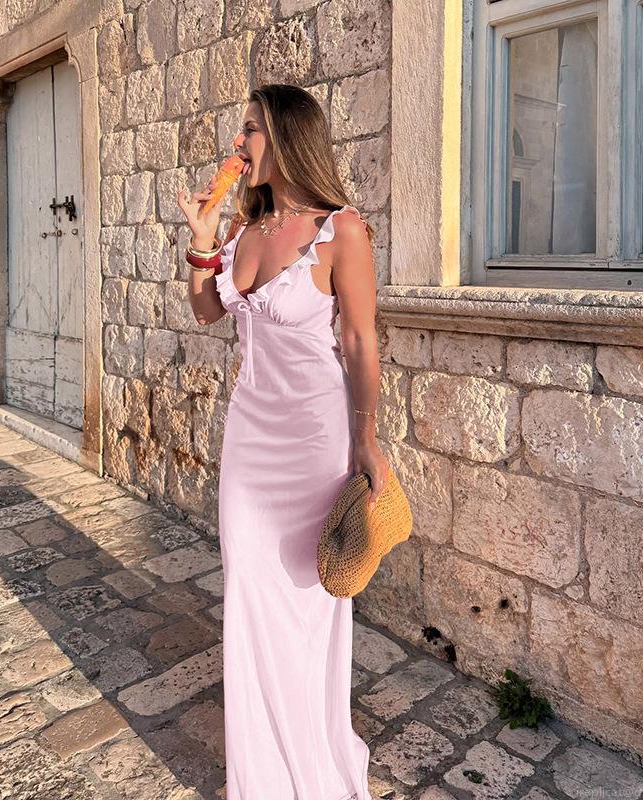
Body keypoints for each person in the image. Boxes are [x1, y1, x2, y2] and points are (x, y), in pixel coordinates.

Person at [176, 83, 388, 800]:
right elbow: (208, 312)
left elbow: (359, 341)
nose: (239, 144)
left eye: (251, 130)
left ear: (290, 137)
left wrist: (367, 442)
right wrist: (203, 240)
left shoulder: (341, 231)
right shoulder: (246, 228)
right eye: (241, 131)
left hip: (315, 439)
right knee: (248, 591)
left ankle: (312, 759)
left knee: (306, 604)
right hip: (250, 436)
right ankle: (260, 778)